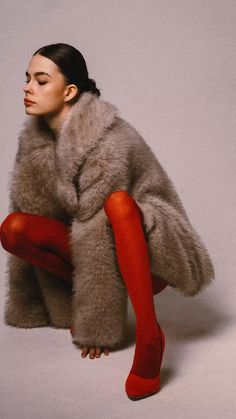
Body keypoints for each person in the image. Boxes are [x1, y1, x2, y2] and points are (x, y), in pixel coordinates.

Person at [0, 43, 214, 400]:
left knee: (114, 204)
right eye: (27, 80)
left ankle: (150, 336)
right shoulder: (35, 141)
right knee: (14, 228)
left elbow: (95, 232)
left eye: (40, 81)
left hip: (152, 249)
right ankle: (90, 302)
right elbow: (44, 216)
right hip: (96, 250)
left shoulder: (107, 138)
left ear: (69, 92)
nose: (28, 88)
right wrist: (68, 307)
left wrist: (94, 324)